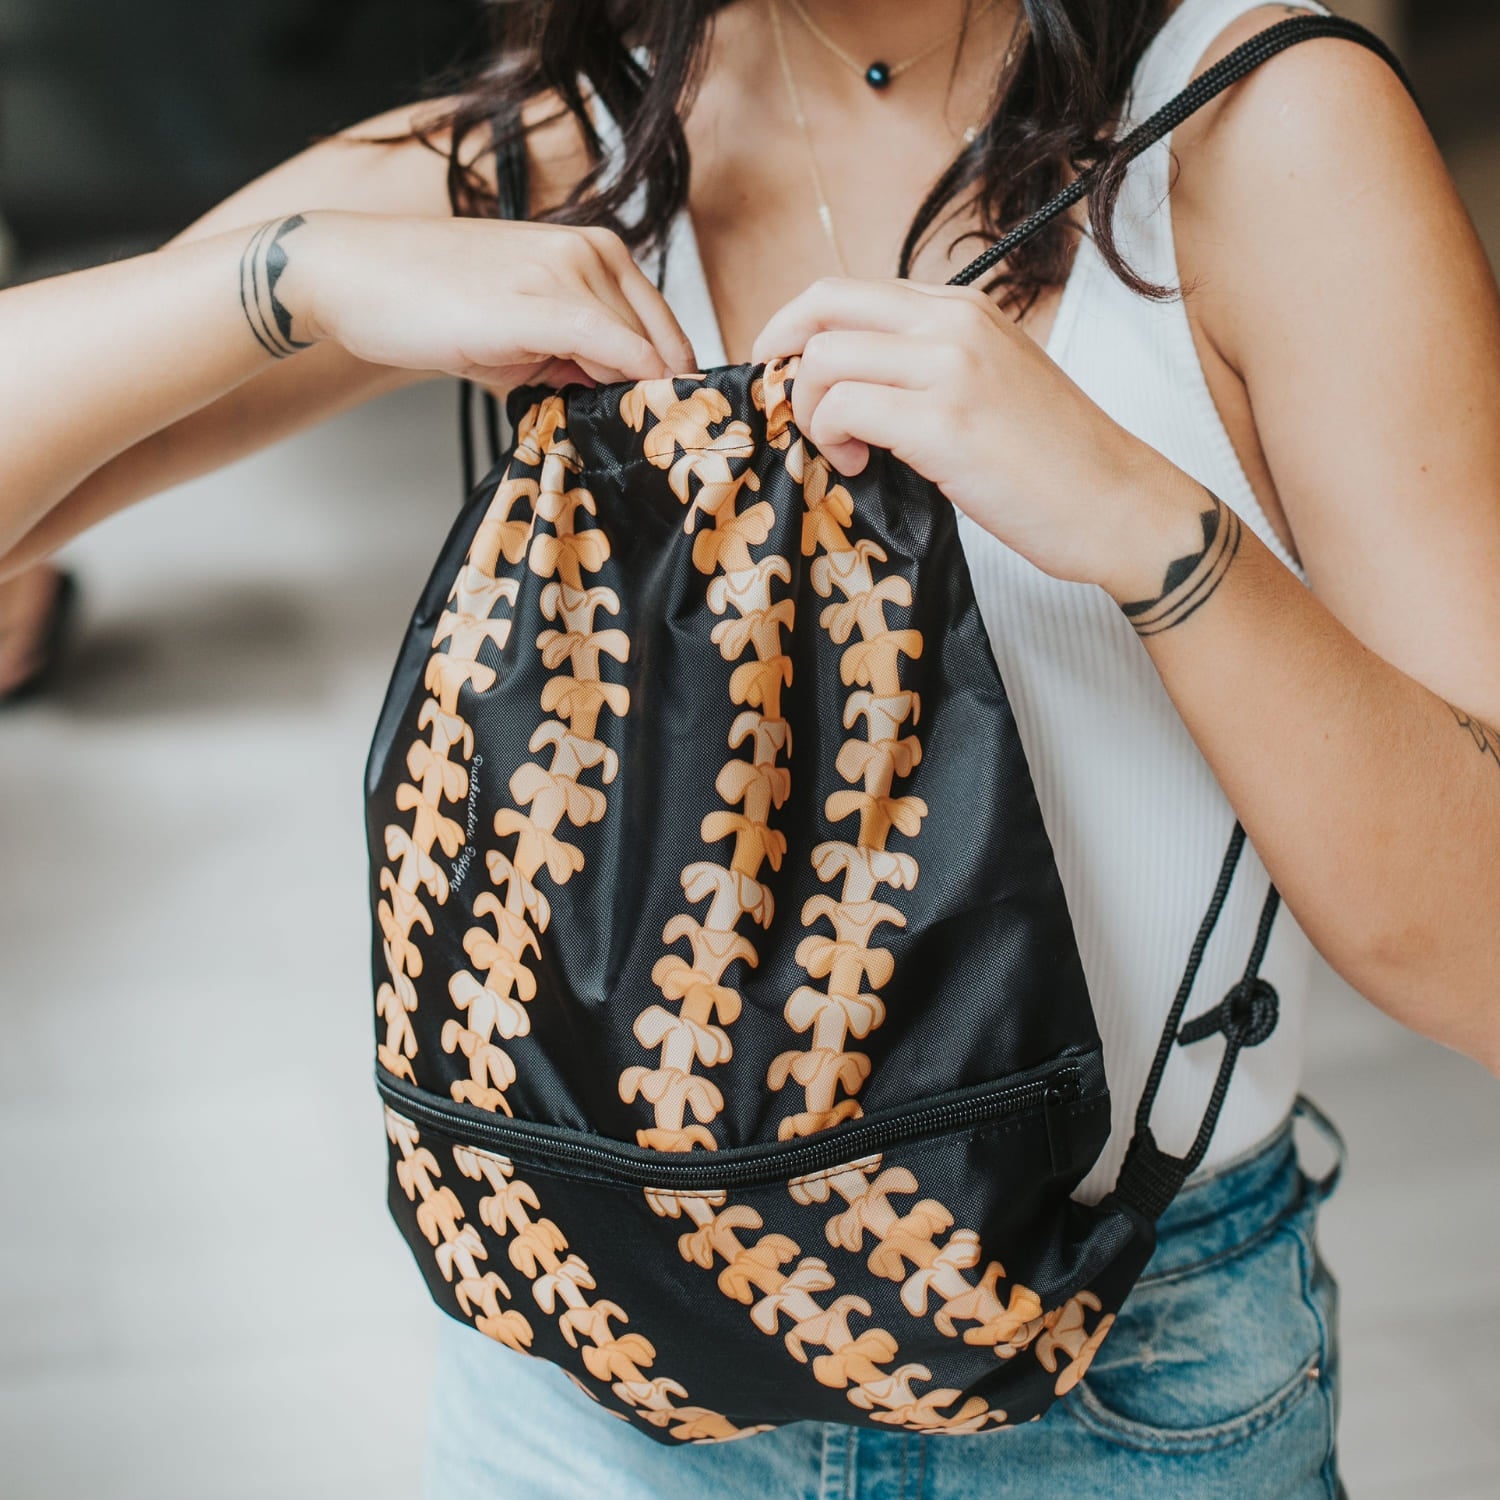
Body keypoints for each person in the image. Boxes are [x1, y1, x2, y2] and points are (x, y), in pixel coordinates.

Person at [1, 0, 1496, 1493]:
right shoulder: (584, 143)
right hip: (585, 1378)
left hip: (1121, 1389)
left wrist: (1153, 534)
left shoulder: (1256, 128)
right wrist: (293, 275)